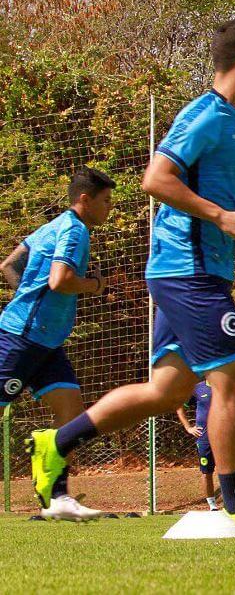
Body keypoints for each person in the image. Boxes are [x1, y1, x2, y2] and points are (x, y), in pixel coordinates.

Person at [28, 21, 235, 528]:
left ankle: (55, 444)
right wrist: (219, 216)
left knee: (166, 392)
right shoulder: (206, 114)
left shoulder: (232, 121)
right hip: (187, 271)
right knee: (234, 375)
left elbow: (202, 189)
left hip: (196, 270)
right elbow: (156, 178)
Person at [0, 168, 114, 521]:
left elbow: (9, 264)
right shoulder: (74, 230)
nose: (110, 208)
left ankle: (57, 498)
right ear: (85, 199)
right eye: (106, 201)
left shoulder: (52, 226)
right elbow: (60, 279)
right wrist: (94, 285)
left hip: (47, 342)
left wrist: (26, 295)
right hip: (21, 339)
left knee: (71, 414)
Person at [175, 381, 217, 510]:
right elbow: (179, 406)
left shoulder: (225, 385)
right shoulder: (197, 388)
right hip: (204, 438)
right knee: (207, 472)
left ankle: (232, 502)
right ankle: (212, 505)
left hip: (223, 438)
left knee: (228, 470)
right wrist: (188, 427)